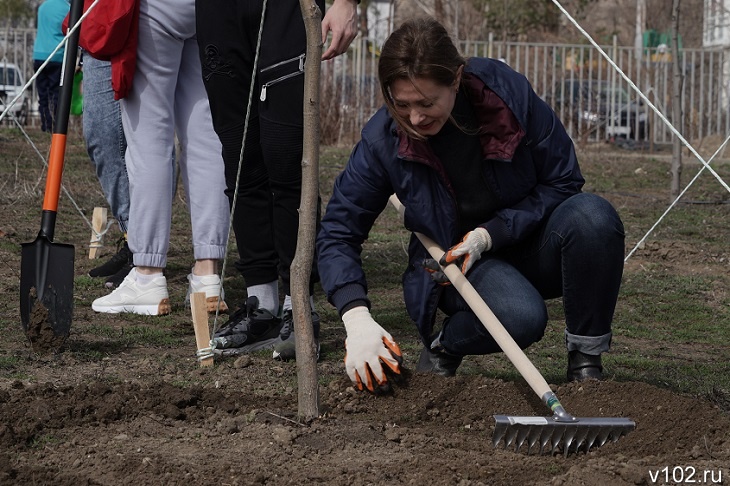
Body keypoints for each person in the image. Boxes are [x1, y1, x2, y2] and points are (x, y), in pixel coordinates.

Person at [316, 17, 625, 393]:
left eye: (427, 103)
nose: (414, 118)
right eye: (402, 104)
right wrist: (355, 314)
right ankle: (445, 347)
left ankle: (586, 362)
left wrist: (490, 234)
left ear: (457, 79)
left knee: (594, 217)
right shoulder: (383, 140)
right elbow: (337, 232)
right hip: (455, 262)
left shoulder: (505, 96)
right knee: (522, 317)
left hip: (529, 241)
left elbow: (564, 180)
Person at [195, 0, 359, 360]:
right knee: (239, 155)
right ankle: (262, 307)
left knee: (287, 153)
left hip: (286, 9)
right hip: (219, 13)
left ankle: (297, 305)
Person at [92, 0, 230, 316]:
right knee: (206, 136)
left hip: (157, 8)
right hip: (209, 10)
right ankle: (208, 273)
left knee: (149, 139)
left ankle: (147, 274)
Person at [82, 52, 134, 289]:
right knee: (101, 137)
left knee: (148, 138)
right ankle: (132, 238)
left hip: (151, 24)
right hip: (100, 29)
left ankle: (143, 248)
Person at [32, 0, 70, 133]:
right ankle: (55, 126)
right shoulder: (67, 8)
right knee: (56, 94)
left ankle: (45, 125)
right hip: (57, 55)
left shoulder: (42, 7)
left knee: (43, 95)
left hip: (39, 54)